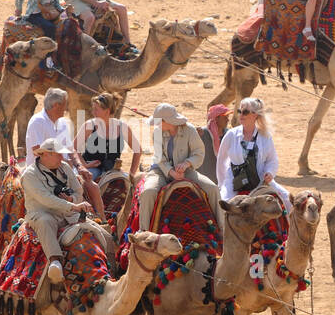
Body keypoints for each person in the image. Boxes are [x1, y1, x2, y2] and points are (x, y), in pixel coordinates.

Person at [21, 138, 96, 284]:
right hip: (43, 213)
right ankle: (55, 261)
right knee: (45, 221)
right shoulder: (29, 175)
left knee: (95, 229)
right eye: (58, 154)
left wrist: (72, 200)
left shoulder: (64, 167)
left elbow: (78, 191)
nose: (62, 157)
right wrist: (73, 206)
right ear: (45, 154)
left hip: (69, 213)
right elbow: (46, 199)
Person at [138, 103, 221, 231]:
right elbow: (160, 159)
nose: (155, 125)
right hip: (161, 170)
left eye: (158, 122)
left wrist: (187, 163)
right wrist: (171, 172)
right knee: (148, 192)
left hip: (186, 171)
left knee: (213, 189)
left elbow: (198, 153)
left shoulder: (190, 130)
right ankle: (144, 232)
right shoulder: (157, 133)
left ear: (167, 121)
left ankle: (222, 230)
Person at [25, 88, 105, 215]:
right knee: (78, 188)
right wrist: (63, 162)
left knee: (93, 187)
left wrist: (80, 166)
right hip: (43, 171)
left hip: (64, 169)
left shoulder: (62, 123)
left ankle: (102, 221)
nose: (66, 107)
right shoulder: (37, 122)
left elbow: (70, 149)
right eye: (65, 104)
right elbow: (38, 152)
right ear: (57, 105)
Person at [215, 97, 290, 210]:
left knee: (287, 199)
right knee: (223, 206)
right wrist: (223, 184)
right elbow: (221, 161)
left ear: (255, 115)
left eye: (245, 112)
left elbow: (272, 160)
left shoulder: (265, 136)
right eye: (240, 111)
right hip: (235, 182)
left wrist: (270, 173)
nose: (241, 115)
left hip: (260, 181)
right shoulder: (231, 135)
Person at [75, 92, 141, 182]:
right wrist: (83, 165)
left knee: (127, 186)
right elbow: (73, 148)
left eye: (96, 109)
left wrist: (131, 174)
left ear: (107, 111)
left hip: (112, 171)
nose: (93, 112)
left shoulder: (122, 127)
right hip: (91, 168)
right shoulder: (89, 125)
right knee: (85, 181)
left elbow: (138, 150)